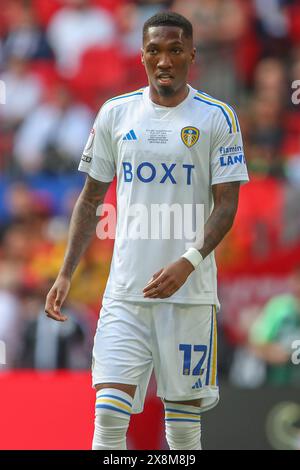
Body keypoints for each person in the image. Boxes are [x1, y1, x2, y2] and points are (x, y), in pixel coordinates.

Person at [45, 11, 249, 450]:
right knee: (108, 418)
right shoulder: (116, 113)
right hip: (124, 293)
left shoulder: (218, 117)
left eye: (175, 50)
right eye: (154, 50)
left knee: (180, 430)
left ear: (192, 55)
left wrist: (188, 263)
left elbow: (227, 205)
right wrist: (66, 273)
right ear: (141, 57)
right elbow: (90, 199)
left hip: (189, 297)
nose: (164, 60)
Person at [249, 266, 300, 386]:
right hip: (278, 384)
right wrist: (275, 352)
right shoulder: (279, 307)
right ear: (292, 280)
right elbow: (256, 343)